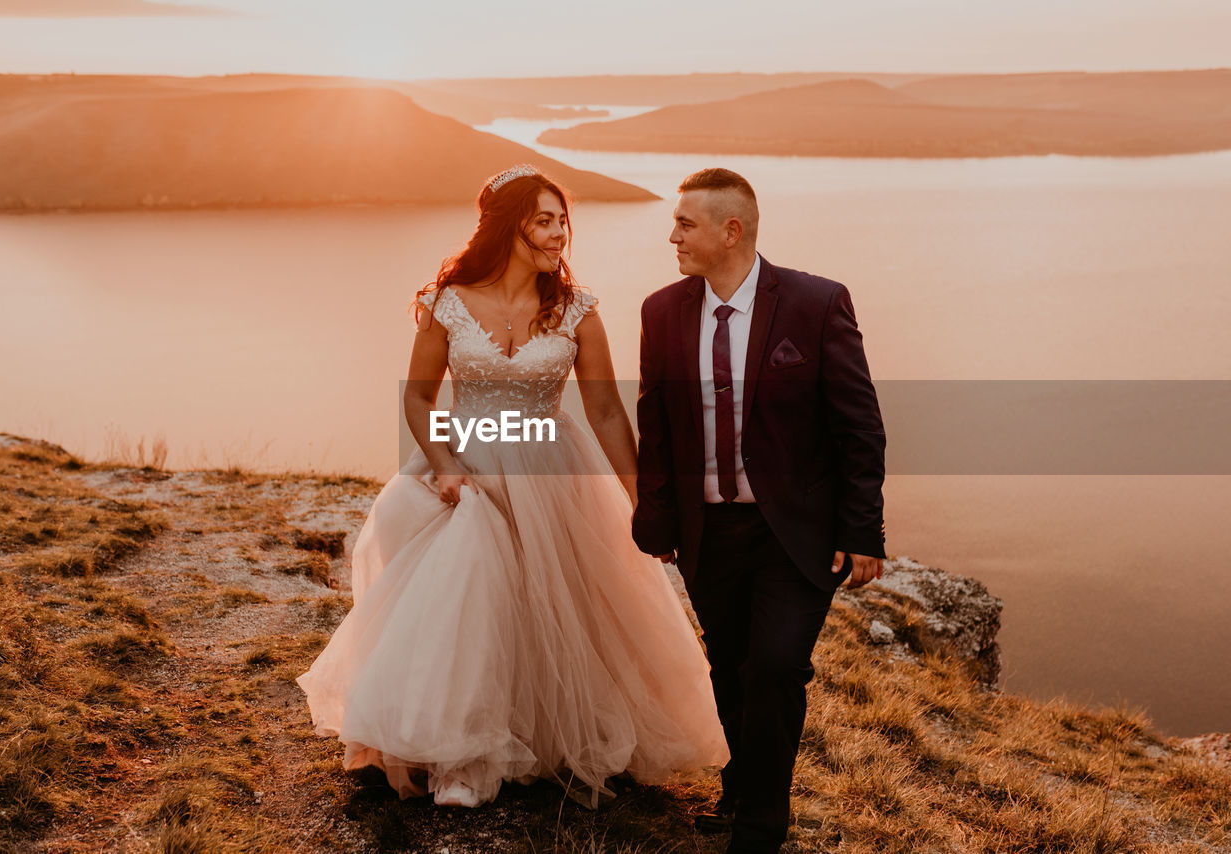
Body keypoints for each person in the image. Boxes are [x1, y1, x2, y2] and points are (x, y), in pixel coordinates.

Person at [295, 164, 728, 810]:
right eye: (545, 220)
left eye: (563, 222)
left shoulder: (577, 311)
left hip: (552, 470)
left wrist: (643, 499)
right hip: (463, 461)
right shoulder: (449, 301)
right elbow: (418, 398)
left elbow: (607, 412)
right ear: (509, 226)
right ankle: (459, 757)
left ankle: (532, 735)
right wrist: (443, 463)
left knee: (550, 607)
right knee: (470, 584)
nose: (559, 235)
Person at [633, 168, 887, 853]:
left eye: (685, 224)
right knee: (730, 666)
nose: (673, 236)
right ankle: (740, 787)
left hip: (792, 535)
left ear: (731, 230)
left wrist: (863, 530)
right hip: (706, 533)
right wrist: (655, 520)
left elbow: (859, 426)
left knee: (776, 667)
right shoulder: (661, 311)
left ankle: (759, 829)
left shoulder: (816, 303)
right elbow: (654, 422)